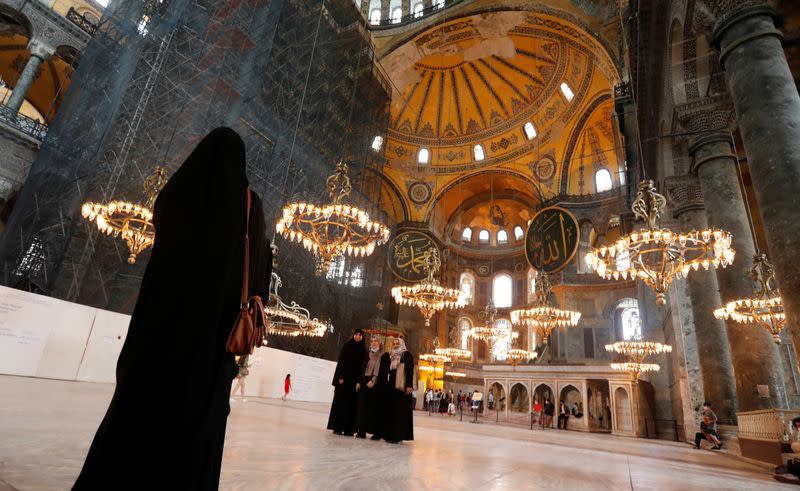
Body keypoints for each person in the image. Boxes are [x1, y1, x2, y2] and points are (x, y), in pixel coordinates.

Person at [74, 127, 272, 490]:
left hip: (158, 336)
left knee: (135, 416)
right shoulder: (250, 206)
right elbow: (261, 272)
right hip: (209, 349)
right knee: (196, 430)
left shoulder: (180, 193)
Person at [327, 329, 367, 436]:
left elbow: (363, 368)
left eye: (360, 335)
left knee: (351, 405)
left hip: (354, 383)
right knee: (341, 403)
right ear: (353, 335)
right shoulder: (347, 346)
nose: (358, 336)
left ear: (362, 337)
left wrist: (359, 381)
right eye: (356, 334)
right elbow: (341, 362)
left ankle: (349, 429)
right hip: (344, 381)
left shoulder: (364, 350)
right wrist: (340, 376)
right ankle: (338, 427)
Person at [378, 337, 414, 443]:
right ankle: (390, 434)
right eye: (393, 343)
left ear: (402, 344)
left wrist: (409, 385)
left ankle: (398, 435)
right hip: (392, 387)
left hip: (402, 388)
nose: (395, 345)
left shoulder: (406, 355)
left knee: (399, 411)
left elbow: (410, 370)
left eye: (397, 343)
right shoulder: (392, 356)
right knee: (391, 410)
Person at [356, 335, 384, 440]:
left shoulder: (383, 355)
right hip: (364, 381)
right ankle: (361, 431)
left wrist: (374, 380)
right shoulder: (367, 354)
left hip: (375, 384)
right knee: (363, 407)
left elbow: (381, 370)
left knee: (373, 408)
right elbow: (361, 368)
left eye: (376, 341)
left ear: (380, 343)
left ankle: (376, 433)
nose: (373, 343)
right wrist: (359, 381)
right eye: (372, 341)